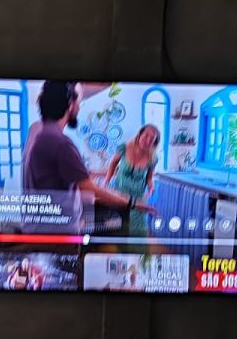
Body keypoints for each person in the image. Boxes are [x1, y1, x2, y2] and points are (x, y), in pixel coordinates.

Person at [22, 81, 152, 231]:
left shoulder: (36, 129)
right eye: (79, 101)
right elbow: (89, 188)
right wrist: (132, 203)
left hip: (39, 226)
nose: (79, 107)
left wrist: (104, 174)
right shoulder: (60, 143)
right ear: (70, 105)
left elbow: (70, 174)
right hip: (56, 231)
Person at [104, 125, 160, 238]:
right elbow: (113, 164)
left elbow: (149, 177)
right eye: (146, 135)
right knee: (119, 228)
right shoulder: (124, 148)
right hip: (120, 195)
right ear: (140, 134)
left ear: (154, 142)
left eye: (152, 139)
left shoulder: (153, 158)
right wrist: (106, 181)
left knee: (138, 231)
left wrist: (151, 187)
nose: (148, 140)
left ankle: (138, 249)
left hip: (138, 198)